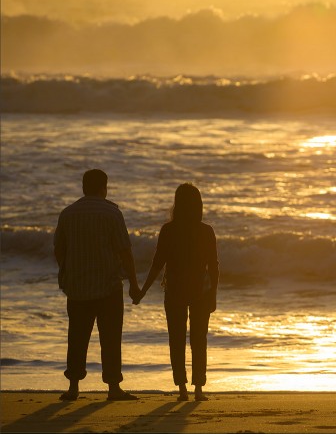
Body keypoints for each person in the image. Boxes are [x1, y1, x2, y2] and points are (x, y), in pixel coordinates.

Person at [54, 169, 141, 401]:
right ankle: (113, 388)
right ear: (105, 188)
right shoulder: (112, 213)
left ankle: (73, 387)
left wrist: (66, 272)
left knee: (77, 337)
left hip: (78, 287)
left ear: (83, 188)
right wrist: (134, 283)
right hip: (108, 286)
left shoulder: (68, 213)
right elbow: (125, 252)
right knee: (111, 338)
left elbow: (59, 249)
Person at [135, 183, 218, 401]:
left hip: (174, 290)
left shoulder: (169, 230)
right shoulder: (206, 231)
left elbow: (157, 264)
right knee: (199, 340)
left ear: (177, 204)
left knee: (177, 339)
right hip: (200, 290)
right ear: (199, 205)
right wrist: (213, 295)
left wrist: (142, 291)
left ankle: (182, 388)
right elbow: (214, 267)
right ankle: (199, 389)